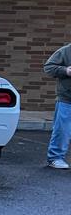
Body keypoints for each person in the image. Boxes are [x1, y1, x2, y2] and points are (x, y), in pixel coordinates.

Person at [45, 41, 71, 169]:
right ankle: (55, 158)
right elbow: (49, 67)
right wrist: (65, 70)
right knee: (62, 130)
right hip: (67, 99)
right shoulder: (65, 51)